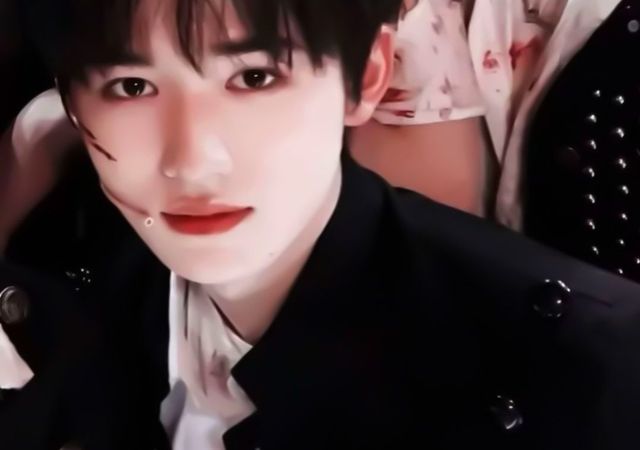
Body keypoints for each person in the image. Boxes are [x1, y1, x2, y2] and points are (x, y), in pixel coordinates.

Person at [4, 0, 640, 449]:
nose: (193, 161)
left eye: (254, 77)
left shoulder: (586, 377)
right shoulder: (56, 284)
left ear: (367, 75)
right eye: (130, 86)